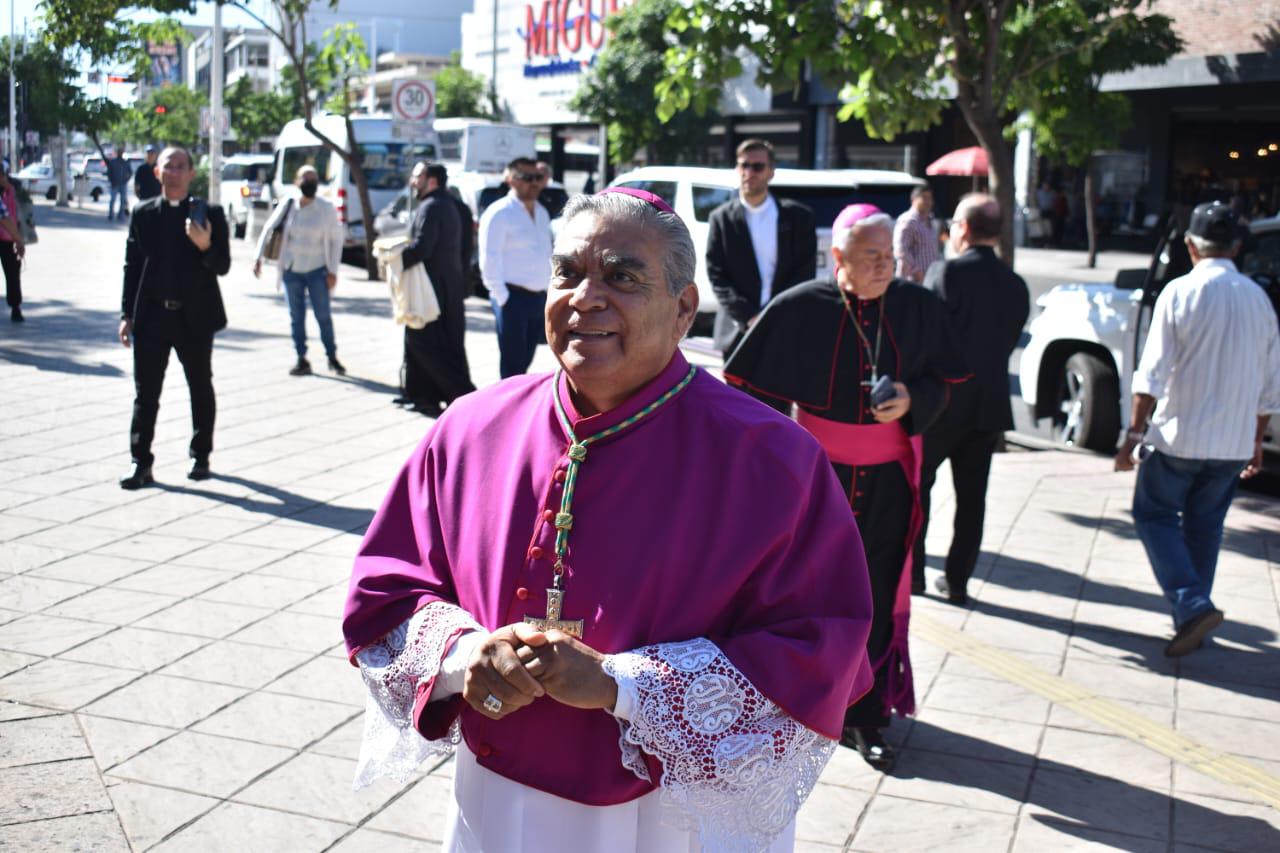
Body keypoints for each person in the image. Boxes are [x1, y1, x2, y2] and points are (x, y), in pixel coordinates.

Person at [343, 188, 875, 853]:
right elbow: (386, 590)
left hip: (673, 816)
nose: (584, 297)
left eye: (622, 277)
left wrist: (623, 685)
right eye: (567, 273)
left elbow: (819, 648)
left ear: (684, 309)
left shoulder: (773, 458)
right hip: (498, 797)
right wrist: (461, 654)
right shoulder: (470, 428)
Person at [723, 203, 966, 773]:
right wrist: (772, 473)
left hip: (889, 481)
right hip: (817, 480)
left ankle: (866, 716)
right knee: (801, 593)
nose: (885, 268)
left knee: (876, 595)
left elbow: (944, 382)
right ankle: (788, 700)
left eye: (890, 256)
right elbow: (752, 397)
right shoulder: (802, 307)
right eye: (871, 257)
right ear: (838, 258)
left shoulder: (916, 305)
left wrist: (913, 401)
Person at [1115, 201, 1280, 657]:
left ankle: (1191, 606)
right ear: (1237, 247)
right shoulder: (1259, 300)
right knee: (1205, 529)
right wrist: (1255, 439)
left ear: (1190, 246)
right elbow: (1271, 384)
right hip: (1230, 442)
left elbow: (1151, 374)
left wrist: (1132, 434)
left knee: (1154, 515)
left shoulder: (1179, 293)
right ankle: (1194, 616)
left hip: (1179, 436)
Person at [912, 194, 1029, 603]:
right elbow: (1009, 340)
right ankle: (958, 580)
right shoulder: (1015, 284)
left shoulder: (945, 274)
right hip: (989, 405)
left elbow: (927, 339)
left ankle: (914, 576)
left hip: (942, 402)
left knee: (918, 490)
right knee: (972, 498)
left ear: (962, 228)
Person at [117, 146, 231, 490]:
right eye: (169, 166)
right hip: (152, 317)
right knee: (145, 393)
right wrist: (127, 314)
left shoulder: (208, 213)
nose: (175, 172)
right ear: (157, 172)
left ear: (191, 173)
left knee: (200, 387)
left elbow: (222, 265)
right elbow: (132, 266)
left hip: (194, 320)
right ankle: (141, 462)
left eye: (182, 166)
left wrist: (205, 245)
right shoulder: (143, 213)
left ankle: (201, 455)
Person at [706, 138, 816, 356]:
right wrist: (748, 316)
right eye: (744, 166)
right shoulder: (721, 218)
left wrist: (773, 315)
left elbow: (804, 272)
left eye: (757, 167)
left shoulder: (798, 217)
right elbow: (716, 273)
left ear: (771, 172)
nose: (750, 172)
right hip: (738, 330)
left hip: (783, 327)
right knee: (735, 391)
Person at [397, 162, 476, 416]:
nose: (412, 180)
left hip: (432, 289)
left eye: (417, 175)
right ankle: (421, 396)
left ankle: (463, 398)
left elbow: (423, 248)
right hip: (445, 287)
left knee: (425, 342)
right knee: (431, 341)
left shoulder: (432, 206)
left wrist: (393, 258)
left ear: (431, 181)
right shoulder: (447, 204)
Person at [253, 165, 346, 377]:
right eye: (305, 178)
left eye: (313, 179)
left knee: (323, 315)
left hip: (318, 271)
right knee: (296, 317)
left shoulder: (325, 209)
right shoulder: (289, 204)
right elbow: (269, 227)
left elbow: (335, 241)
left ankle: (332, 355)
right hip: (291, 270)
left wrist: (333, 270)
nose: (309, 183)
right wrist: (257, 257)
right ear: (297, 182)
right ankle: (301, 358)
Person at [479, 156, 553, 377]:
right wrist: (502, 297)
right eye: (526, 177)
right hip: (512, 299)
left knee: (526, 360)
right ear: (511, 180)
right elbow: (489, 258)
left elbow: (546, 253)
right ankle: (508, 410)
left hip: (538, 298)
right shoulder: (499, 212)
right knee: (512, 367)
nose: (533, 182)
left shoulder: (542, 212)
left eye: (537, 177)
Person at [892, 185, 939, 283]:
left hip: (930, 278)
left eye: (930, 198)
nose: (928, 202)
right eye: (924, 198)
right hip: (912, 281)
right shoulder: (908, 220)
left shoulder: (930, 219)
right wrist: (916, 271)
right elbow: (900, 250)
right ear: (914, 199)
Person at [0, 162, 26, 323]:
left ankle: (15, 306)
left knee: (12, 272)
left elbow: (13, 216)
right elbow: (5, 218)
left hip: (7, 239)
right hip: (9, 235)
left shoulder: (13, 190)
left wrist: (18, 239)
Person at [107, 148, 132, 222]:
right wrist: (112, 181)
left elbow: (130, 172)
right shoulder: (113, 162)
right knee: (112, 200)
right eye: (119, 152)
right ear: (117, 153)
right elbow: (109, 173)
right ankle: (111, 215)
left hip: (123, 184)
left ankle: (121, 215)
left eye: (121, 152)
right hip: (114, 184)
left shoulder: (125, 162)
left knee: (122, 201)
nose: (120, 154)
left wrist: (126, 180)